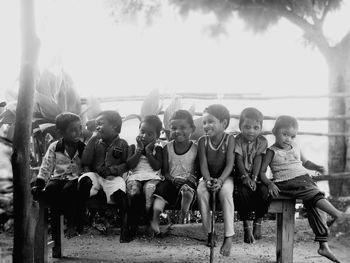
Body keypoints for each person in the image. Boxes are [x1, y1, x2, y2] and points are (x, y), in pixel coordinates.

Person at [260, 115, 350, 263]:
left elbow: (304, 162)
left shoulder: (295, 145)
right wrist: (269, 184)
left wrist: (315, 166)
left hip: (303, 179)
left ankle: (323, 244)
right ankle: (338, 215)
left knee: (315, 203)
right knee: (314, 194)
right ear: (275, 131)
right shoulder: (272, 151)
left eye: (292, 136)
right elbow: (262, 172)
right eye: (285, 134)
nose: (288, 139)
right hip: (285, 183)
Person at [77, 110, 130, 242]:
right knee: (85, 181)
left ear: (115, 127)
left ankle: (125, 229)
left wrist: (113, 170)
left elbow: (126, 165)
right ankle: (80, 219)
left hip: (112, 177)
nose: (97, 127)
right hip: (96, 175)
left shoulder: (123, 144)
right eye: (96, 124)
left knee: (120, 194)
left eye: (101, 124)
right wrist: (92, 139)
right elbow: (86, 160)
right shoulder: (95, 141)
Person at [31, 112, 85, 237]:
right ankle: (56, 232)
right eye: (73, 130)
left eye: (79, 128)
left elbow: (88, 165)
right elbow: (46, 166)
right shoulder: (54, 147)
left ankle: (72, 224)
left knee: (69, 190)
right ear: (61, 133)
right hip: (58, 178)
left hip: (76, 179)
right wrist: (40, 183)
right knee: (50, 189)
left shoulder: (83, 148)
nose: (78, 132)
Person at [150, 110, 198, 234]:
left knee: (187, 189)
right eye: (174, 128)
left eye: (183, 127)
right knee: (162, 191)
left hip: (188, 181)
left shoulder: (196, 148)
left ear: (192, 128)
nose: (177, 131)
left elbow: (196, 171)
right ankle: (154, 220)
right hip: (171, 180)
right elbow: (165, 172)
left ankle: (183, 214)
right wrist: (173, 179)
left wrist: (191, 178)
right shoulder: (167, 147)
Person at [197, 104, 235, 257]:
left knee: (225, 193)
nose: (206, 126)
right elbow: (203, 165)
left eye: (211, 121)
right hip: (208, 177)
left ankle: (229, 236)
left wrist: (220, 180)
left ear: (224, 123)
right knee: (201, 192)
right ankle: (209, 232)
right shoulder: (202, 141)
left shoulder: (229, 139)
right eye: (204, 122)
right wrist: (207, 180)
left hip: (225, 177)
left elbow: (230, 164)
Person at [234, 107, 270, 243]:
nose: (251, 131)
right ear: (240, 127)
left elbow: (258, 159)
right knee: (242, 193)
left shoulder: (262, 141)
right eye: (247, 127)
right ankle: (247, 226)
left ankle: (258, 221)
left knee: (265, 192)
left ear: (260, 128)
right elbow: (238, 159)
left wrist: (254, 178)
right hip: (240, 176)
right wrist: (245, 177)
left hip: (257, 176)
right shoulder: (237, 140)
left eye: (256, 127)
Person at [126, 115, 163, 238]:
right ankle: (132, 223)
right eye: (142, 132)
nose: (144, 136)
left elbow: (157, 166)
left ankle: (149, 223)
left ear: (156, 137)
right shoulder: (132, 147)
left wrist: (148, 151)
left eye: (150, 134)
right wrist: (139, 150)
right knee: (134, 191)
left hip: (151, 177)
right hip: (135, 176)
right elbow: (130, 165)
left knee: (149, 190)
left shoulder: (158, 149)